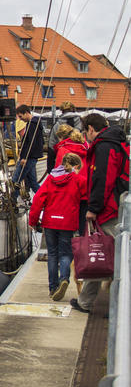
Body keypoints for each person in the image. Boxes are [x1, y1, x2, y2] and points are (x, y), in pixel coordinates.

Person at [71, 113, 129, 314]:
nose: (85, 136)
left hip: (108, 209)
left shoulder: (104, 147)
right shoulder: (115, 143)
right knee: (98, 252)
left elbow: (102, 179)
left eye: (84, 131)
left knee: (111, 255)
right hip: (114, 204)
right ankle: (85, 301)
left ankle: (116, 307)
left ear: (90, 129)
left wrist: (93, 208)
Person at [29, 152, 87, 301]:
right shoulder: (78, 180)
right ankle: (64, 279)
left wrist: (33, 221)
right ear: (76, 166)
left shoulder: (50, 179)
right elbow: (87, 198)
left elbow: (37, 200)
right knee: (66, 254)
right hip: (67, 223)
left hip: (50, 222)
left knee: (53, 255)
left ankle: (53, 288)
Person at [12, 104, 44, 198]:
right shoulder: (35, 123)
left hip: (29, 158)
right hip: (32, 157)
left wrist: (24, 157)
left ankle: (12, 203)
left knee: (16, 180)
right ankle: (44, 200)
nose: (21, 119)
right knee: (33, 182)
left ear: (26, 113)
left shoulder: (32, 124)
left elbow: (30, 143)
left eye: (21, 116)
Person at [47, 101, 82, 172]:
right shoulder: (82, 123)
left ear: (62, 111)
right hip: (80, 162)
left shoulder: (57, 125)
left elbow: (52, 145)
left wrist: (50, 167)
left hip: (62, 161)